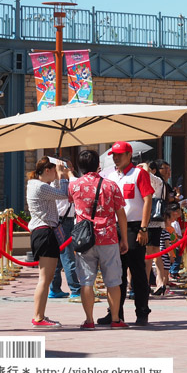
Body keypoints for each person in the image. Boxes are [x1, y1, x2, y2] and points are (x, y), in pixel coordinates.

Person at [68, 149, 129, 329]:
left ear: (80, 166)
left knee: (86, 281)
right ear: (98, 165)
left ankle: (89, 320)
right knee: (113, 281)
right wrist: (124, 238)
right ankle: (116, 319)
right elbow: (121, 214)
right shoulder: (110, 185)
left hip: (84, 239)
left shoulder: (74, 186)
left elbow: (71, 200)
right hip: (108, 237)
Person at [98, 141, 154, 327]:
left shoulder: (139, 173)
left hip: (134, 227)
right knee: (116, 274)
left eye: (120, 154)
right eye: (114, 154)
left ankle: (142, 312)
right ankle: (115, 313)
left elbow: (147, 200)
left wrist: (144, 228)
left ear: (129, 154)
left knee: (137, 272)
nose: (116, 157)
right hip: (114, 228)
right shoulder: (110, 176)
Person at [27, 157, 71, 327]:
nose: (56, 173)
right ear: (47, 170)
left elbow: (55, 192)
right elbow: (63, 195)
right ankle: (38, 317)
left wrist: (58, 176)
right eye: (53, 170)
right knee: (45, 279)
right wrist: (63, 177)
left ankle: (40, 315)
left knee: (46, 278)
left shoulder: (36, 185)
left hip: (43, 233)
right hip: (45, 233)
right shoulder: (40, 186)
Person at [49, 158, 81, 301]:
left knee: (59, 258)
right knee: (68, 257)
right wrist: (64, 175)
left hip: (58, 221)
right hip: (65, 222)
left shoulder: (52, 183)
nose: (71, 168)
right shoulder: (62, 183)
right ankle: (75, 289)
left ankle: (54, 289)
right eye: (68, 166)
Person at [138, 161, 165, 294]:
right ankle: (160, 282)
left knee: (149, 253)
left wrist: (143, 167)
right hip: (157, 221)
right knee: (155, 252)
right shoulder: (159, 182)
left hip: (149, 220)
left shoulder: (156, 180)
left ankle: (147, 282)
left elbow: (146, 174)